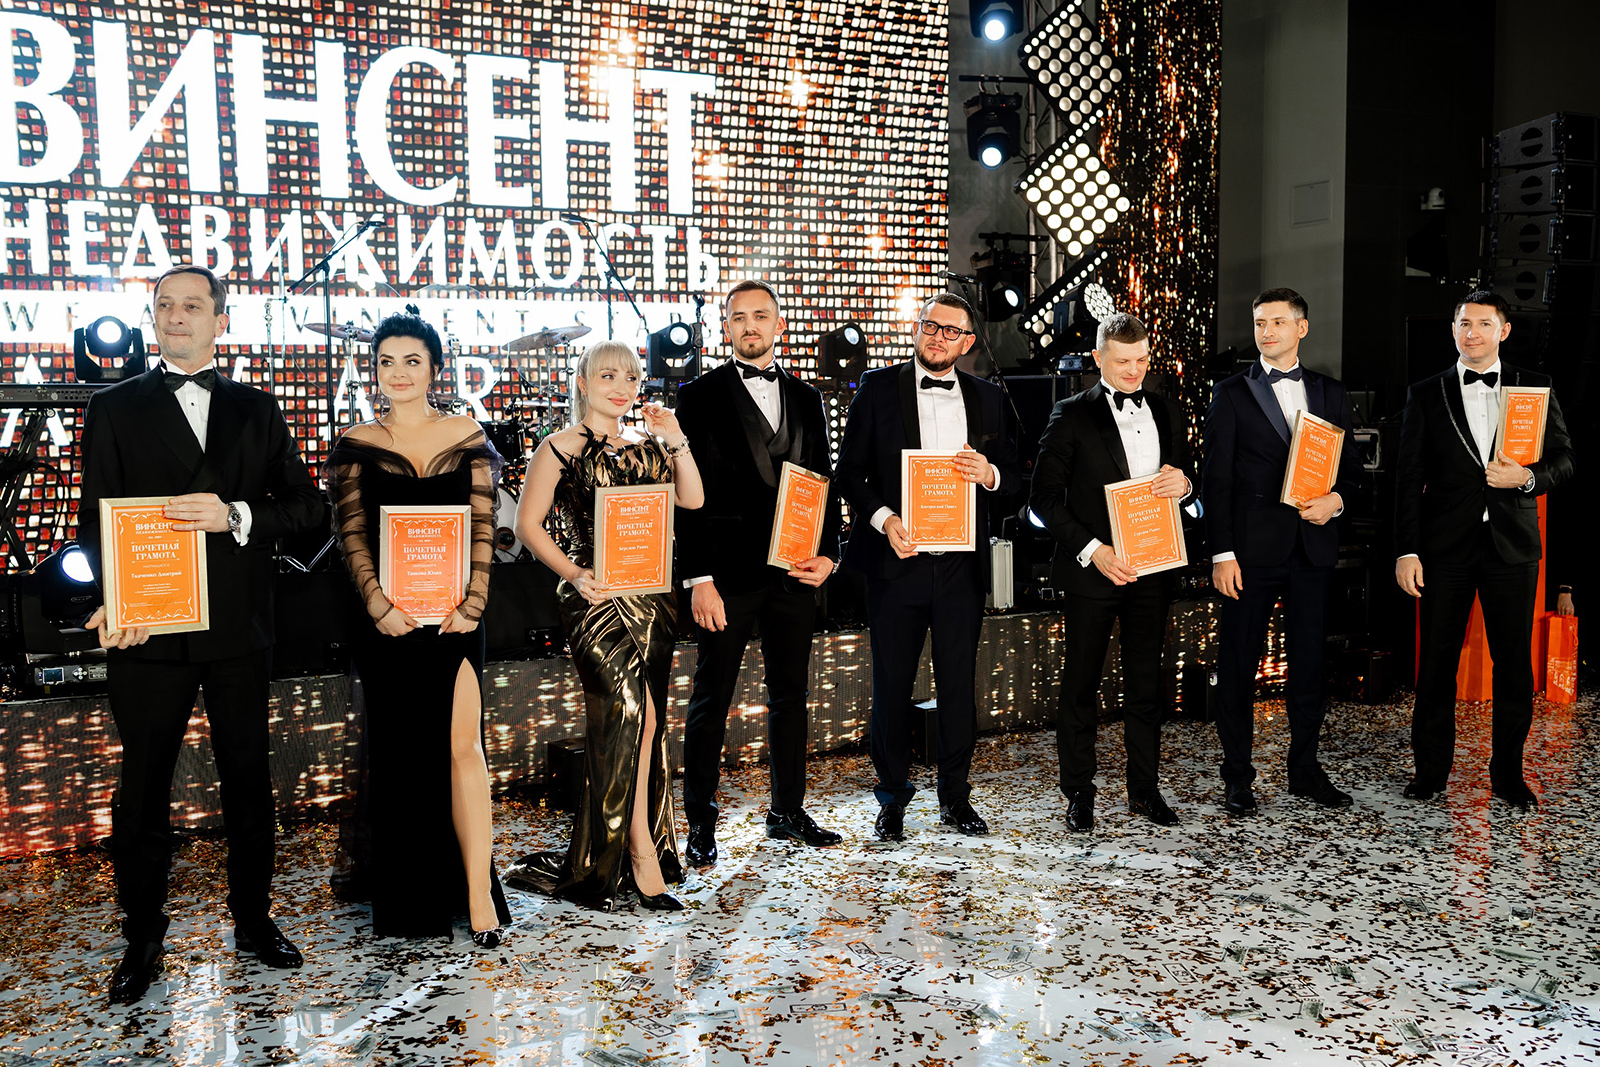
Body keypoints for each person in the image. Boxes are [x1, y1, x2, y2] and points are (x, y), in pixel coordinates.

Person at [77, 264, 324, 1005]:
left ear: (221, 320)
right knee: (142, 789)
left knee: (248, 781)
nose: (176, 316)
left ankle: (253, 920)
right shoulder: (112, 407)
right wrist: (111, 598)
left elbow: (306, 508)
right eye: (164, 306)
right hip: (147, 629)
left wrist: (236, 515)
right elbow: (96, 518)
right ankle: (142, 936)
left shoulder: (258, 407)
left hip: (239, 628)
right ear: (153, 317)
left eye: (192, 305)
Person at [325, 312, 514, 945]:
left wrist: (475, 601)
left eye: (412, 361)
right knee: (401, 756)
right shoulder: (357, 443)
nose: (399, 373)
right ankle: (412, 900)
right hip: (387, 623)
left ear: (435, 368)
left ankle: (478, 894)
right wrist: (377, 604)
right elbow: (352, 535)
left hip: (457, 619)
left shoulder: (466, 435)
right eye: (386, 362)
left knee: (465, 749)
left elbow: (483, 525)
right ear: (374, 370)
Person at [513, 340, 705, 911]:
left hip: (652, 595)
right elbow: (527, 525)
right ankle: (638, 851)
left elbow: (693, 500)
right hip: (594, 597)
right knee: (624, 711)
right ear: (583, 382)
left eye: (630, 377)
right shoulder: (558, 446)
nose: (620, 387)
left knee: (648, 720)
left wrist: (676, 437)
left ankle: (627, 844)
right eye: (607, 376)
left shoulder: (650, 445)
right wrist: (575, 574)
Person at [834, 292, 1018, 842]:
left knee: (958, 685)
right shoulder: (876, 388)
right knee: (891, 684)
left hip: (961, 568)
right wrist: (885, 519)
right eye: (929, 326)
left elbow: (1016, 478)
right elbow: (849, 474)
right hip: (897, 562)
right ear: (917, 329)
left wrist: (990, 475)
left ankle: (955, 798)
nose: (937, 337)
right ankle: (892, 797)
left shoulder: (989, 397)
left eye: (950, 331)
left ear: (968, 342)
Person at [674, 280, 845, 867]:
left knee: (791, 697)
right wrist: (698, 578)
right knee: (711, 699)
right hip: (724, 578)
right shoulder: (697, 396)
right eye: (739, 317)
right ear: (726, 328)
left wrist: (831, 553)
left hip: (794, 573)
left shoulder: (807, 397)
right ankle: (700, 823)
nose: (750, 326)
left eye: (761, 315)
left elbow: (823, 481)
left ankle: (787, 810)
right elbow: (685, 498)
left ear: (779, 325)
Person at [1394, 290, 1575, 808]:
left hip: (1512, 549)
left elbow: (1565, 460)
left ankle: (1509, 775)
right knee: (1436, 666)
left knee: (1514, 667)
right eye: (1463, 324)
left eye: (1483, 324)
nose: (1471, 333)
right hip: (1443, 551)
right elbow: (1407, 480)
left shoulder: (1534, 387)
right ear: (1453, 330)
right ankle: (1430, 772)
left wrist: (1527, 479)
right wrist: (1407, 551)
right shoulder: (1426, 392)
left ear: (1504, 330)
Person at [1029, 312, 1196, 831]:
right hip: (1093, 572)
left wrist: (1186, 487)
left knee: (1147, 685)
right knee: (1080, 685)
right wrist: (1094, 550)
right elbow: (1043, 500)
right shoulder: (1069, 414)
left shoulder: (1166, 409)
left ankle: (1145, 790)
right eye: (1122, 361)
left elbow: (1189, 480)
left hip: (1154, 570)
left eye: (1141, 360)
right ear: (1098, 358)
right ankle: (1079, 793)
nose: (1133, 371)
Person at [1202, 287, 1356, 815]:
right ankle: (1237, 777)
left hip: (1312, 549)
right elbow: (1215, 480)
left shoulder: (1331, 392)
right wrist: (1222, 553)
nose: (1266, 332)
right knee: (1238, 666)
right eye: (1259, 323)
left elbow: (1351, 474)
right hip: (1249, 554)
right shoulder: (1230, 393)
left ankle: (1305, 770)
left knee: (1310, 666)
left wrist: (1336, 501)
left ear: (1301, 328)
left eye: (1277, 322)